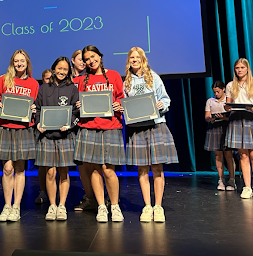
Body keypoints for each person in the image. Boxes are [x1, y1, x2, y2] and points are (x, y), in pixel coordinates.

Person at [123, 47, 178, 223]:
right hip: (137, 128)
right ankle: (147, 206)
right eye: (132, 57)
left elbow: (166, 99)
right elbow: (125, 104)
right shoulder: (127, 82)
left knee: (157, 168)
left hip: (155, 126)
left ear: (143, 59)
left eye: (137, 57)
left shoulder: (153, 77)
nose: (134, 60)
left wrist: (161, 104)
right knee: (142, 169)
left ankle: (158, 206)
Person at [74, 45, 125, 223]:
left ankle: (115, 206)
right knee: (95, 169)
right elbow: (78, 102)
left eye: (93, 56)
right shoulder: (82, 80)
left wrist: (120, 105)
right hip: (89, 126)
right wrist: (79, 106)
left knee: (109, 169)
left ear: (100, 56)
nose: (91, 61)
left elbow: (121, 97)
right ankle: (101, 206)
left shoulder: (114, 75)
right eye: (87, 59)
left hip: (111, 126)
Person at [0, 49, 39, 222]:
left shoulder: (34, 84)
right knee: (7, 168)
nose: (19, 64)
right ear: (12, 63)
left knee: (20, 168)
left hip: (23, 129)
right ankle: (7, 205)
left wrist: (35, 110)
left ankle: (16, 206)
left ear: (27, 63)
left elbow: (36, 104)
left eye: (22, 61)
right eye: (16, 61)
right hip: (5, 127)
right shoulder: (4, 80)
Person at [35, 57, 79, 221]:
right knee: (50, 172)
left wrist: (70, 126)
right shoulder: (44, 88)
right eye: (59, 68)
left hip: (65, 136)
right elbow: (37, 109)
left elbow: (76, 112)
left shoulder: (72, 89)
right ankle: (52, 206)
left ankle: (62, 206)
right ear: (53, 69)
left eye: (65, 69)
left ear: (68, 72)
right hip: (47, 136)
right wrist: (38, 123)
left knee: (63, 173)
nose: (62, 72)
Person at [224, 58, 253, 200]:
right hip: (237, 119)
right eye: (237, 68)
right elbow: (227, 105)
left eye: (242, 68)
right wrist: (227, 107)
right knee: (243, 155)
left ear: (247, 69)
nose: (239, 70)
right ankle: (247, 187)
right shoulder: (231, 85)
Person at [70, 49, 96, 212]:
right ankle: (89, 197)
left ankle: (102, 196)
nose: (83, 62)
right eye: (80, 59)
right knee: (81, 164)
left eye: (85, 60)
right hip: (71, 125)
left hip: (88, 124)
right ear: (72, 60)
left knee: (96, 164)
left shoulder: (90, 78)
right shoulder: (68, 79)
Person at [204, 81, 236, 191]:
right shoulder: (210, 101)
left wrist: (224, 117)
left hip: (226, 127)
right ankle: (221, 179)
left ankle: (231, 180)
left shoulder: (228, 100)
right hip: (214, 127)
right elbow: (207, 116)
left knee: (228, 154)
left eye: (218, 91)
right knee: (218, 155)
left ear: (223, 89)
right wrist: (211, 118)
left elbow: (232, 116)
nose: (216, 94)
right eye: (214, 92)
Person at [34, 69, 53, 205]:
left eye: (51, 78)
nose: (49, 81)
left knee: (56, 167)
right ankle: (42, 191)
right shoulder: (41, 92)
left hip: (58, 131)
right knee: (43, 165)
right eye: (47, 79)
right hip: (43, 131)